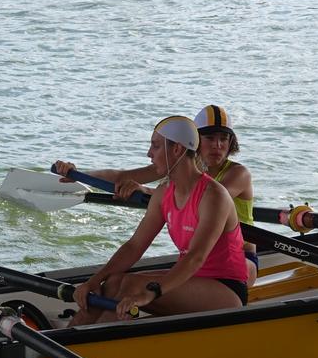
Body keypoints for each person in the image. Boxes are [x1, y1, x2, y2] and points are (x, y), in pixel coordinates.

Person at [68, 116, 248, 326]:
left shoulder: (213, 195)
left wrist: (150, 293)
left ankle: (88, 346)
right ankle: (63, 342)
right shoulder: (163, 193)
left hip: (225, 289)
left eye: (155, 146)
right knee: (113, 282)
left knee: (132, 284)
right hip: (188, 279)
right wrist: (94, 281)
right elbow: (135, 246)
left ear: (177, 150)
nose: (149, 154)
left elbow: (195, 258)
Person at [53, 105, 258, 283]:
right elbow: (122, 176)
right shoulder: (177, 165)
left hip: (241, 259)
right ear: (195, 141)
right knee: (121, 283)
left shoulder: (237, 175)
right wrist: (79, 175)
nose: (218, 145)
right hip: (200, 259)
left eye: (224, 139)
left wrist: (145, 190)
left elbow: (198, 199)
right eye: (210, 138)